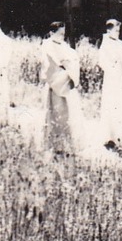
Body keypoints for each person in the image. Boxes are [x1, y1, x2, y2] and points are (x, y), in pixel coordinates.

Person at [97, 19, 122, 151]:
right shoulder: (105, 44)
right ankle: (112, 136)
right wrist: (113, 65)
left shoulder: (119, 43)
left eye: (119, 31)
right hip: (112, 79)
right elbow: (102, 61)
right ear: (108, 30)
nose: (118, 33)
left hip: (121, 78)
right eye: (115, 31)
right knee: (112, 105)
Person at [41, 21, 80, 156]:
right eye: (60, 34)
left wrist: (70, 69)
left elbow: (71, 57)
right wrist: (63, 65)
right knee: (54, 112)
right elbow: (54, 61)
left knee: (65, 113)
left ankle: (65, 144)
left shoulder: (64, 46)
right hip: (54, 81)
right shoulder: (47, 44)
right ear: (52, 33)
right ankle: (54, 144)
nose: (62, 37)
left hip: (64, 81)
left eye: (64, 34)